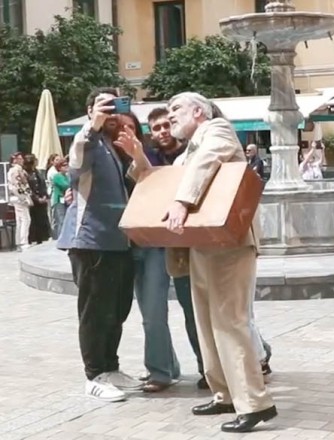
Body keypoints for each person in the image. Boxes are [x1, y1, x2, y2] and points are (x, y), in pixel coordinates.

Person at [116, 92, 275, 433]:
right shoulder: (189, 149)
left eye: (176, 109)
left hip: (230, 242)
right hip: (203, 243)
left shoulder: (216, 130)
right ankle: (225, 394)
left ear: (199, 112)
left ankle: (254, 403)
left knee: (230, 321)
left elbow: (202, 169)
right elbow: (164, 182)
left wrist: (182, 203)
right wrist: (139, 159)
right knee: (207, 322)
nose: (170, 116)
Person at [56, 87, 140, 402]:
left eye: (115, 105)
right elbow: (75, 162)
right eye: (104, 105)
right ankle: (94, 375)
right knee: (95, 311)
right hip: (90, 242)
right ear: (91, 109)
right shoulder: (87, 140)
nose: (111, 112)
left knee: (117, 308)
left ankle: (110, 366)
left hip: (117, 241)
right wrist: (92, 124)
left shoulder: (110, 145)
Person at [24, 154, 51, 244]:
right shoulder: (26, 174)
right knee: (33, 220)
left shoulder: (37, 172)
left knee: (42, 219)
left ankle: (42, 237)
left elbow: (42, 185)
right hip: (33, 200)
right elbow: (28, 188)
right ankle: (33, 238)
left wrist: (44, 196)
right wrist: (36, 198)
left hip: (41, 199)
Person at [7, 152, 32, 250]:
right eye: (20, 158)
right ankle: (23, 242)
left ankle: (20, 242)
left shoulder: (15, 170)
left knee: (20, 220)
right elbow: (18, 185)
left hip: (17, 197)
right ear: (15, 160)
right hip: (19, 197)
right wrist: (25, 197)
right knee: (25, 219)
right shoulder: (16, 170)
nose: (22, 160)